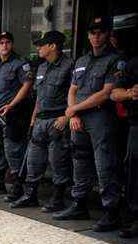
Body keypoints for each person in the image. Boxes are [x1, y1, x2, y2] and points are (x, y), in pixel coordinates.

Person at [53, 16, 124, 232]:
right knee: (80, 161)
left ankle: (111, 212)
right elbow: (72, 90)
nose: (96, 36)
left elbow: (106, 93)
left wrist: (74, 110)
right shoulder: (81, 61)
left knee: (104, 165)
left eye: (100, 32)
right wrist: (73, 114)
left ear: (107, 34)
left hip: (100, 118)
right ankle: (79, 204)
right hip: (79, 119)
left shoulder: (115, 60)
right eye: (92, 32)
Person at [11, 31, 73, 211]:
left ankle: (58, 199)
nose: (38, 48)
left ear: (53, 46)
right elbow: (39, 98)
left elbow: (74, 92)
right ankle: (31, 195)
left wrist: (67, 117)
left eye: (42, 44)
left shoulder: (69, 66)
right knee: (33, 161)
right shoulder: (42, 67)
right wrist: (32, 121)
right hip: (40, 120)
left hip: (57, 119)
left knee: (57, 161)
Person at [0, 31, 34, 201]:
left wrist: (12, 104)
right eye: (1, 43)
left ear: (12, 44)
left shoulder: (20, 63)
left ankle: (17, 186)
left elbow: (27, 85)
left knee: (13, 149)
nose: (4, 45)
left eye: (7, 42)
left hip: (14, 114)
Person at [111, 55, 138, 239]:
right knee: (134, 173)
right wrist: (130, 93)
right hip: (136, 124)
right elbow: (114, 93)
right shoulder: (133, 63)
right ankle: (134, 218)